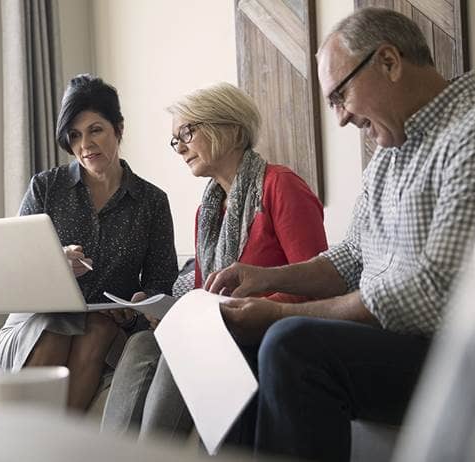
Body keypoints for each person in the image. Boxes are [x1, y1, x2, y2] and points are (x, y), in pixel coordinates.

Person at [203, 7, 475, 462]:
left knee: (291, 345)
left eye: (340, 95)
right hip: (408, 340)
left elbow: (431, 294)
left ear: (388, 61)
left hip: (460, 351)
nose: (342, 117)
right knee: (239, 347)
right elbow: (349, 259)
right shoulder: (391, 151)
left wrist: (276, 317)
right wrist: (267, 279)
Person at [100, 82, 328, 438]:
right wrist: (166, 311)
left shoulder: (280, 186)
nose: (180, 148)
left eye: (187, 133)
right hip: (217, 330)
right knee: (142, 341)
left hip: (262, 336)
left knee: (186, 345)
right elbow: (203, 296)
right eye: (175, 139)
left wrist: (244, 310)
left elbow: (318, 285)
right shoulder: (207, 212)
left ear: (232, 131)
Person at [0, 74, 178, 411]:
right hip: (35, 325)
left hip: (106, 326)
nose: (85, 145)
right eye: (75, 136)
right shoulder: (45, 188)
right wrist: (54, 263)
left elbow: (161, 282)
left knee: (96, 330)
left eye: (96, 130)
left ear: (118, 129)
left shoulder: (152, 202)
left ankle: (58, 446)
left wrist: (138, 305)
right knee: (55, 328)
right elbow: (16, 274)